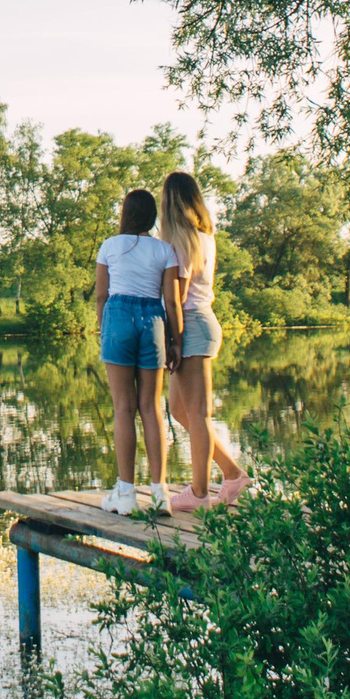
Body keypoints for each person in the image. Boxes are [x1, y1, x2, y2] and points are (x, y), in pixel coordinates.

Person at [158, 170, 247, 510]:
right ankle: (232, 472)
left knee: (197, 413)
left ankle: (198, 494)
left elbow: (176, 299)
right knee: (181, 409)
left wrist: (173, 341)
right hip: (201, 322)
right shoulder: (204, 236)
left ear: (170, 203)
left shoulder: (180, 241)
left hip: (191, 325)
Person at [92, 188, 177, 514]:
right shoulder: (164, 250)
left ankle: (125, 493)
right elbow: (170, 301)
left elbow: (101, 296)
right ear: (153, 216)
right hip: (153, 319)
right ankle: (160, 493)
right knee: (152, 408)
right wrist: (175, 340)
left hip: (118, 317)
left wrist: (106, 330)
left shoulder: (109, 246)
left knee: (123, 407)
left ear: (125, 214)